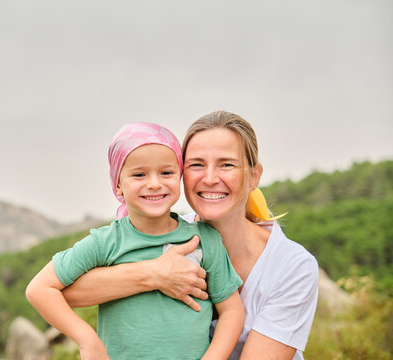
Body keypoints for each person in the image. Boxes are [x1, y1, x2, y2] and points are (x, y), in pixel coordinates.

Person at [62, 111, 319, 360]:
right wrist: (155, 273)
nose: (209, 178)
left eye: (226, 165)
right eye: (196, 165)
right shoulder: (166, 232)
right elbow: (65, 291)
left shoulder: (291, 266)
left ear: (254, 176)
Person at [25, 122, 245, 360]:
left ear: (179, 177)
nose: (154, 183)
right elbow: (39, 289)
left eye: (166, 172)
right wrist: (86, 337)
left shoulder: (203, 239)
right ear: (118, 185)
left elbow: (231, 310)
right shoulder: (105, 242)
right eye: (139, 174)